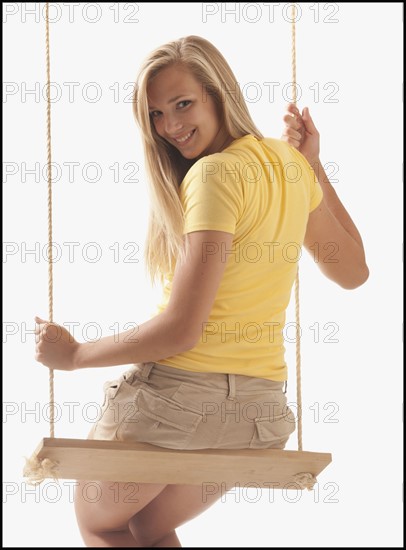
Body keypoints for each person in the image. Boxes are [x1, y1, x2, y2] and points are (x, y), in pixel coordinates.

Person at [34, 35, 369, 547]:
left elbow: (182, 330)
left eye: (183, 103)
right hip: (257, 417)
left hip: (177, 405)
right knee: (149, 526)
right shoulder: (287, 163)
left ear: (220, 94)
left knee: (100, 523)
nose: (170, 126)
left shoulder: (214, 174)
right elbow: (354, 272)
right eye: (155, 115)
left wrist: (76, 354)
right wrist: (312, 163)